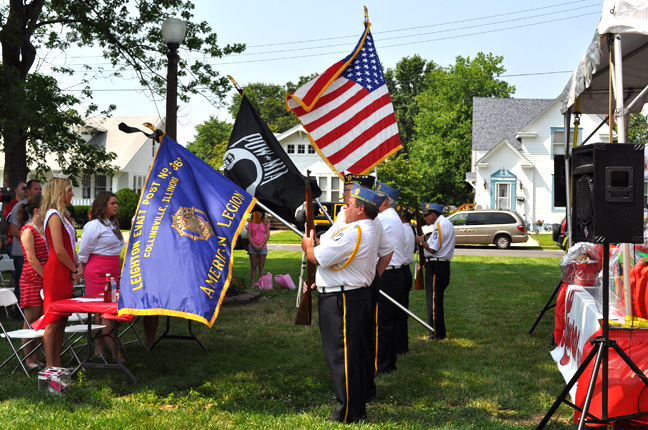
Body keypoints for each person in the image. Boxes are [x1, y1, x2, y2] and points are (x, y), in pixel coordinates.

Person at [301, 184, 386, 423]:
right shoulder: (363, 228)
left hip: (343, 300)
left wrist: (309, 246)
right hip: (350, 295)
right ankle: (355, 407)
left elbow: (318, 257)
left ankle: (346, 413)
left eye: (349, 204)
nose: (345, 206)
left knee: (342, 357)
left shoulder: (354, 231)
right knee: (353, 356)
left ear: (360, 209)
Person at [78, 191, 125, 360]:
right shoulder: (94, 226)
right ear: (103, 205)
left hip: (112, 270)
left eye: (116, 203)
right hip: (98, 270)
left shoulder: (111, 224)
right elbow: (84, 251)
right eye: (112, 203)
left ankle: (102, 350)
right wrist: (81, 267)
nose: (116, 206)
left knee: (107, 309)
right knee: (102, 311)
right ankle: (112, 352)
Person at [41, 177, 81, 368]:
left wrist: (78, 263)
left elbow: (69, 245)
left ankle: (56, 363)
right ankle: (50, 366)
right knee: (53, 320)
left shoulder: (63, 216)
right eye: (69, 190)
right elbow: (58, 249)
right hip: (57, 271)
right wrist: (73, 268)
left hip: (65, 270)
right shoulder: (53, 215)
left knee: (62, 320)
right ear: (59, 192)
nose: (72, 194)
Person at [374, 181, 407, 373]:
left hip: (388, 274)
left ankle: (381, 365)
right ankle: (389, 362)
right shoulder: (392, 217)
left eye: (377, 198)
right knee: (390, 322)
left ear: (385, 201)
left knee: (382, 323)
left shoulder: (384, 218)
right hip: (396, 274)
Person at [415, 203, 456, 340]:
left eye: (426, 215)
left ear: (433, 215)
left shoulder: (440, 225)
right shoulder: (444, 223)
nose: (424, 218)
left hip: (437, 267)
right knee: (436, 300)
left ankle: (436, 333)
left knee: (433, 301)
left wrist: (421, 241)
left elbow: (433, 249)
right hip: (439, 265)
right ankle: (439, 331)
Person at [17, 194, 47, 369]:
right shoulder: (28, 230)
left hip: (44, 275)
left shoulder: (44, 228)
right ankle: (29, 359)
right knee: (31, 319)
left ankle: (36, 358)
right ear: (36, 210)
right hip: (33, 277)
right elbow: (31, 258)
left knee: (41, 320)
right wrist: (46, 276)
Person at [8, 180, 42, 318]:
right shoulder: (19, 206)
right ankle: (20, 314)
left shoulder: (40, 207)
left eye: (40, 189)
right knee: (21, 285)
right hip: (21, 253)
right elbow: (13, 229)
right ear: (28, 191)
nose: (39, 191)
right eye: (36, 189)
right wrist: (30, 238)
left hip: (35, 253)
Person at [396, 204, 416, 355]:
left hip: (400, 270)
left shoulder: (401, 230)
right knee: (402, 310)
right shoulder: (410, 229)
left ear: (401, 216)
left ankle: (399, 345)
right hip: (406, 271)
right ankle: (402, 346)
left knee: (397, 311)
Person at [246, 210, 270, 287]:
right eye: (257, 212)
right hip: (252, 247)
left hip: (262, 247)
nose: (259, 214)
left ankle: (261, 283)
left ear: (262, 214)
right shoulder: (251, 223)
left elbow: (267, 236)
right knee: (253, 266)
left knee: (261, 266)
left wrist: (261, 245)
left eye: (260, 212)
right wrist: (254, 245)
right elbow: (249, 236)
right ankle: (253, 283)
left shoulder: (265, 223)